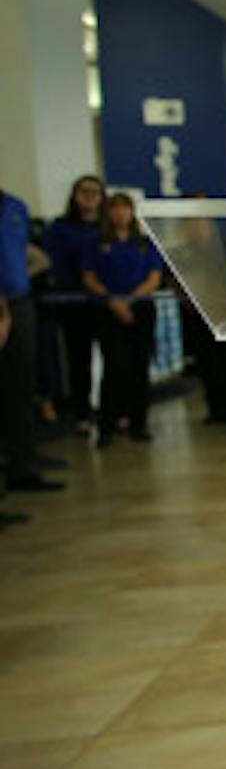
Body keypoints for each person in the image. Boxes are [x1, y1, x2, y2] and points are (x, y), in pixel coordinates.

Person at [81, 191, 163, 446]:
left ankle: (139, 423)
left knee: (140, 365)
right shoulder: (96, 243)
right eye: (114, 208)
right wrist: (113, 300)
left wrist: (130, 300)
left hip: (140, 308)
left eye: (125, 208)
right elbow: (89, 277)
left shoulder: (144, 243)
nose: (120, 213)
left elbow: (153, 277)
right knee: (114, 366)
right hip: (108, 309)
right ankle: (108, 424)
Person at [2, 169, 62, 514]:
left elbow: (25, 252)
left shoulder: (15, 207)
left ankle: (22, 466)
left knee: (21, 388)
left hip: (19, 302)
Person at [45, 175, 105, 431]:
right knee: (79, 360)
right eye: (84, 191)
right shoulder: (60, 228)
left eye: (95, 192)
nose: (89, 196)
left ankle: (114, 411)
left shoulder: (108, 227)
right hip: (74, 301)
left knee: (115, 358)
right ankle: (81, 413)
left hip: (106, 301)